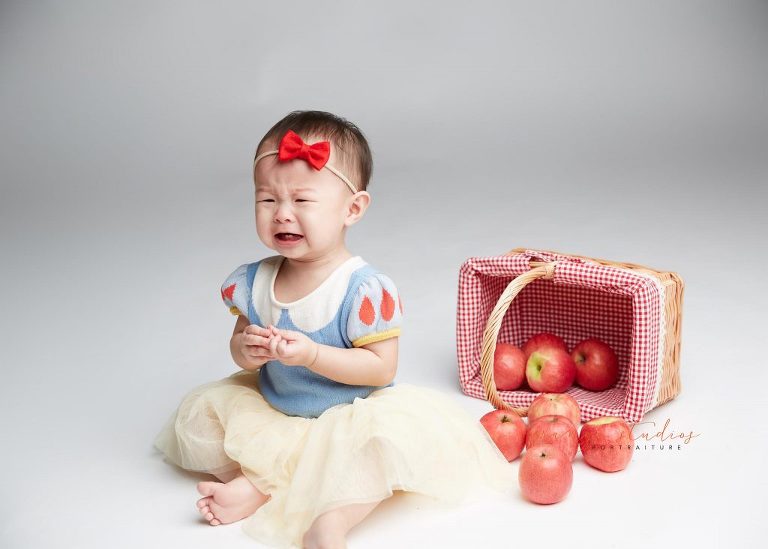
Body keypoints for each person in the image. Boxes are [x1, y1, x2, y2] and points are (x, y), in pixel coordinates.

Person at [153, 110, 516, 549]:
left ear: (352, 209)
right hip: (277, 410)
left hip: (352, 415)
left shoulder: (362, 289)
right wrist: (246, 350)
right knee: (209, 420)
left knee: (377, 452)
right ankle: (263, 483)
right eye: (267, 200)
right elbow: (238, 348)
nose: (282, 214)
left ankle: (329, 521)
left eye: (302, 201)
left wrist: (312, 355)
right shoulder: (254, 281)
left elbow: (381, 369)